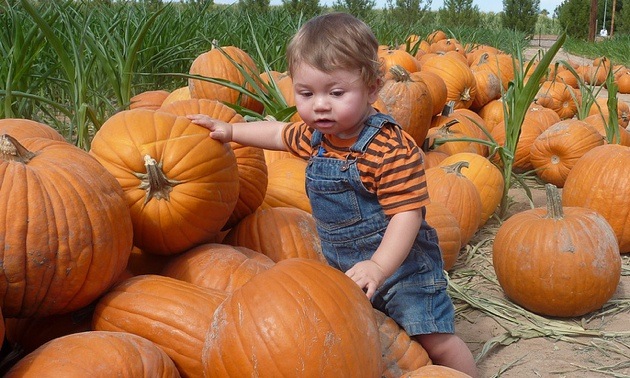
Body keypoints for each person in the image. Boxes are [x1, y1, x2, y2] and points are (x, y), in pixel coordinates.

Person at [188, 12, 478, 377]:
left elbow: (408, 214)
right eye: (306, 94)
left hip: (404, 269)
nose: (320, 105)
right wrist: (230, 131)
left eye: (336, 93)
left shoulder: (388, 148)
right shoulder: (317, 137)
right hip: (347, 267)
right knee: (371, 336)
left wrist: (379, 266)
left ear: (372, 88)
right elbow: (277, 134)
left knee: (434, 337)